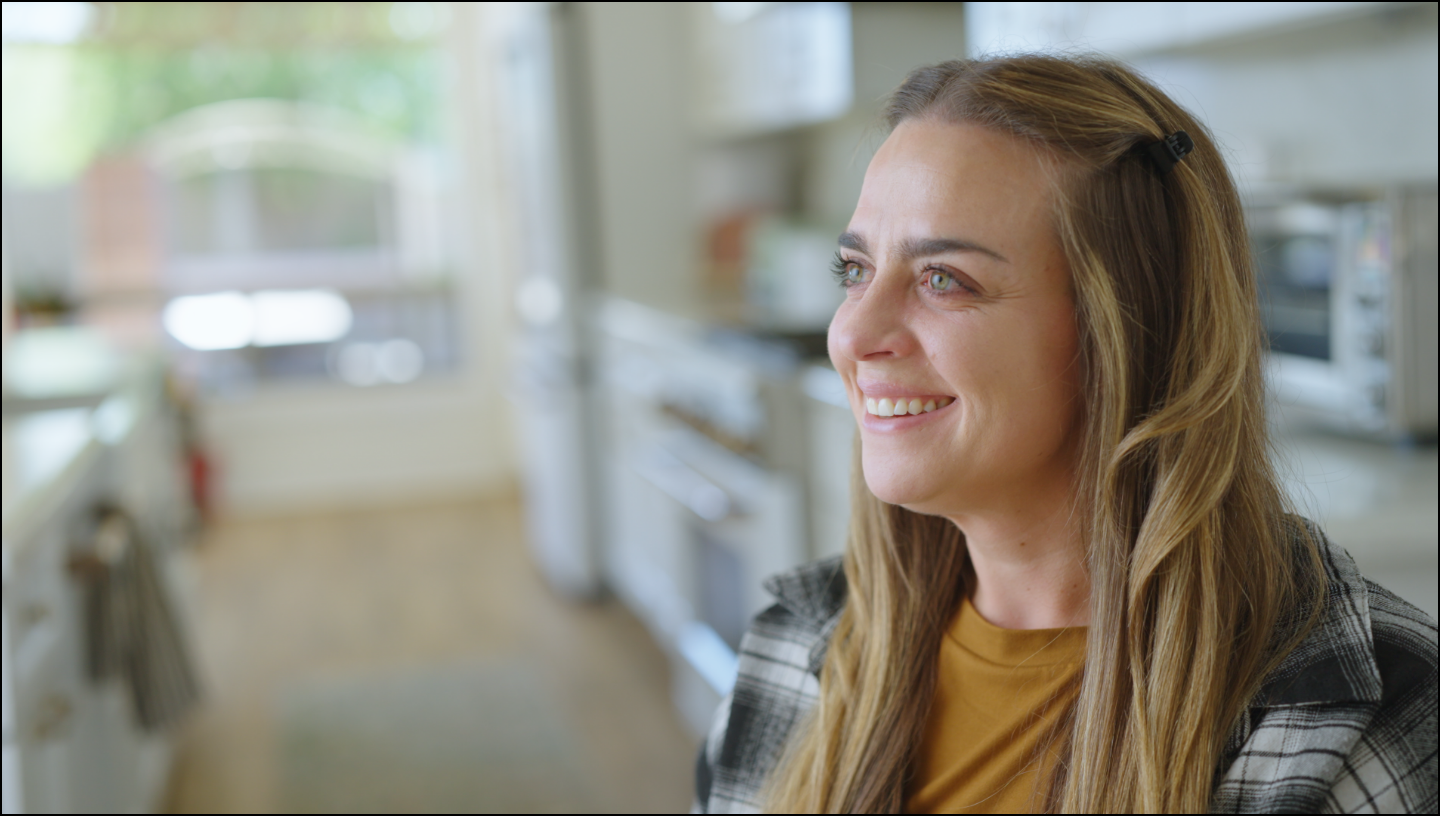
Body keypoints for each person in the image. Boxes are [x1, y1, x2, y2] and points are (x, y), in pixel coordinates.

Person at [693, 55, 1438, 814]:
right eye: (854, 269)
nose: (853, 333)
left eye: (943, 278)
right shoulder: (801, 646)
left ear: (1128, 335)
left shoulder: (1359, 726)